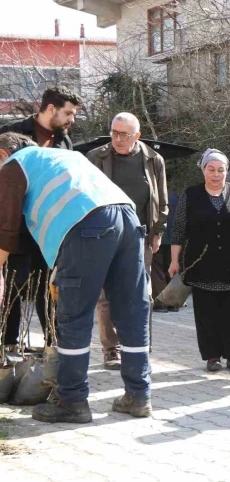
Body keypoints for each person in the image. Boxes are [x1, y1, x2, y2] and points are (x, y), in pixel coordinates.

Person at [0, 133, 152, 423]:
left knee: (74, 316)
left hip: (88, 226)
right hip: (128, 219)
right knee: (132, 311)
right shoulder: (64, 157)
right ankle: (138, 395)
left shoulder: (14, 165)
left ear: (1, 153)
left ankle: (72, 402)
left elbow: (5, 230)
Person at [169, 149, 230, 372]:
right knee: (206, 313)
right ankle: (212, 356)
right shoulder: (191, 194)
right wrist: (174, 260)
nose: (216, 174)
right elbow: (178, 230)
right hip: (202, 264)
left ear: (226, 170)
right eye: (211, 169)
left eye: (221, 170)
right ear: (203, 170)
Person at [87, 112, 169, 370]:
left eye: (124, 134)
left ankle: (141, 344)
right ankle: (112, 350)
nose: (118, 139)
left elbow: (162, 201)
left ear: (137, 136)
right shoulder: (96, 157)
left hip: (140, 235)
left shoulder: (154, 160)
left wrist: (158, 232)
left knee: (141, 293)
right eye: (114, 132)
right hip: (104, 234)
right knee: (105, 296)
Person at [0, 87, 81, 348]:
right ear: (50, 109)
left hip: (49, 230)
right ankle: (8, 347)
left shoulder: (65, 141)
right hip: (16, 227)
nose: (72, 119)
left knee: (49, 291)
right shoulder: (11, 134)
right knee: (12, 290)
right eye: (68, 113)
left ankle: (54, 348)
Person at [151, 189, 179, 312]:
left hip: (160, 236)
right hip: (174, 239)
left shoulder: (155, 196)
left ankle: (161, 303)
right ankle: (173, 303)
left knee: (157, 270)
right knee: (171, 268)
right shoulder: (176, 196)